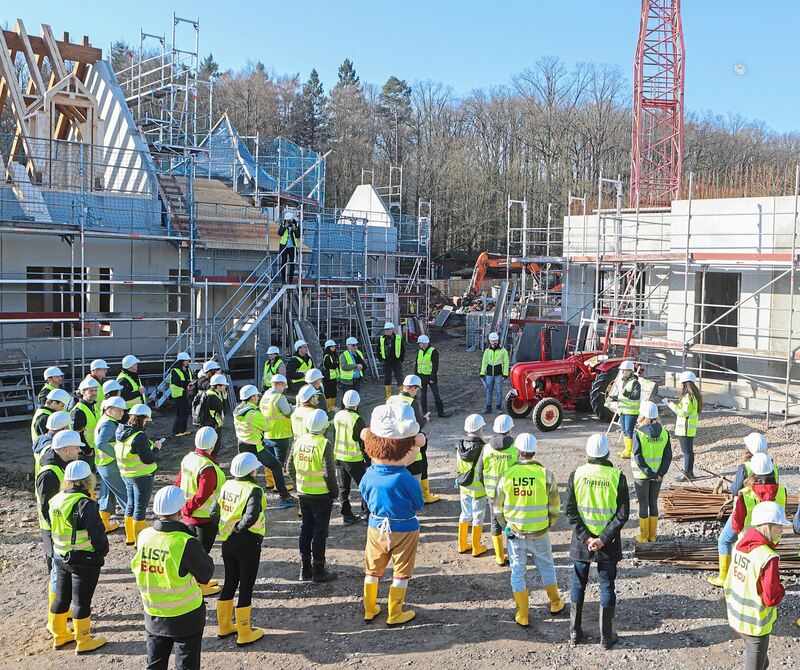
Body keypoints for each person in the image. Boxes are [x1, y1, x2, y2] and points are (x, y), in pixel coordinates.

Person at [132, 485, 214, 670]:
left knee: (155, 663)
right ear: (179, 511)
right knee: (186, 664)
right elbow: (206, 573)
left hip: (153, 613)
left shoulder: (144, 536)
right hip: (185, 616)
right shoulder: (183, 542)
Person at [359, 401, 425, 625]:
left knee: (373, 568)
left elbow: (365, 497)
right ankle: (395, 612)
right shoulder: (403, 477)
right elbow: (418, 503)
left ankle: (370, 608)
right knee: (401, 570)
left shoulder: (368, 474)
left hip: (376, 525)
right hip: (404, 527)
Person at [565, 433, 630, 649]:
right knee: (606, 585)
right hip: (607, 543)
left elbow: (570, 511)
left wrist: (586, 538)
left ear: (587, 453)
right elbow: (622, 514)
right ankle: (606, 636)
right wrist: (602, 539)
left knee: (578, 584)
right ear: (607, 453)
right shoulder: (617, 476)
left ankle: (575, 633)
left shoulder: (576, 475)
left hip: (582, 542)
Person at [494, 433, 564, 627]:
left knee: (517, 570)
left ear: (517, 451)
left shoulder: (507, 475)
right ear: (534, 451)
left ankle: (523, 613)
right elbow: (555, 507)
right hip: (540, 532)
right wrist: (547, 524)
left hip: (515, 533)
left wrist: (505, 525)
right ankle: (555, 603)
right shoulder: (545, 474)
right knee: (547, 566)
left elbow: (497, 508)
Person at [47, 459, 109, 653]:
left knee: (61, 598)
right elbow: (97, 533)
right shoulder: (85, 503)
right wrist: (101, 553)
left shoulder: (56, 500)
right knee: (82, 602)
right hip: (83, 559)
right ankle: (83, 640)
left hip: (60, 556)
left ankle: (59, 636)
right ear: (87, 480)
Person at [724, 501, 788, 670]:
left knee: (762, 662)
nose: (782, 530)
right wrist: (782, 588)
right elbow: (771, 598)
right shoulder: (768, 557)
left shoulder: (740, 544)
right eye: (779, 526)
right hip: (755, 625)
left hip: (737, 616)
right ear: (767, 526)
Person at [709, 451, 784, 587]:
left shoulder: (746, 494)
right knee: (766, 564)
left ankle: (724, 577)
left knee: (724, 541)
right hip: (773, 538)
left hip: (749, 539)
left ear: (753, 473)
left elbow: (736, 524)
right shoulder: (782, 491)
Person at [214, 452, 267, 645]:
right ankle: (244, 632)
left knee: (230, 581)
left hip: (227, 540)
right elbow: (252, 515)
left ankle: (224, 626)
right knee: (246, 584)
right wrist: (240, 527)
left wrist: (228, 527)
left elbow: (214, 511)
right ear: (251, 470)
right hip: (247, 541)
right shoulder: (253, 489)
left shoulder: (227, 485)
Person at [289, 408, 339, 583]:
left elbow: (289, 467)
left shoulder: (298, 441)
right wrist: (334, 493)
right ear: (325, 426)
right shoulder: (324, 444)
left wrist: (299, 483)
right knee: (319, 532)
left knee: (306, 529)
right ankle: (319, 570)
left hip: (303, 494)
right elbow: (328, 473)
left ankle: (305, 570)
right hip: (321, 496)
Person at [176, 426, 226, 596]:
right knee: (201, 555)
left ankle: (197, 582)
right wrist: (189, 508)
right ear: (213, 444)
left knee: (193, 552)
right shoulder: (208, 468)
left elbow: (178, 482)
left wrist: (182, 508)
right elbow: (202, 496)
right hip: (204, 519)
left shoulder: (189, 458)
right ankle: (199, 585)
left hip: (189, 516)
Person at [36, 430, 84, 608]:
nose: (79, 450)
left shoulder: (59, 464)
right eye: (76, 447)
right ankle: (57, 613)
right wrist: (57, 527)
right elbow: (45, 506)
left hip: (59, 527)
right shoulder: (49, 473)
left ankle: (61, 610)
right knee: (57, 571)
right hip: (53, 529)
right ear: (65, 450)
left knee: (62, 571)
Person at [234, 385, 295, 504]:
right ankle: (284, 494)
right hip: (255, 447)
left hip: (241, 445)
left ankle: (243, 497)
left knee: (245, 473)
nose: (257, 398)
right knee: (276, 466)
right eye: (256, 396)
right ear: (252, 398)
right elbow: (267, 427)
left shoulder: (237, 411)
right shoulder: (254, 414)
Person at [115, 403, 163, 545]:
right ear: (143, 419)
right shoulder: (139, 435)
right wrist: (156, 448)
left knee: (131, 504)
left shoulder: (121, 431)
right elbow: (148, 459)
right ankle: (139, 538)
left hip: (126, 474)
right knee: (140, 507)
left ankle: (130, 536)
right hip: (142, 476)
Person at [392, 375, 440, 504]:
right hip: (411, 442)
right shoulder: (412, 403)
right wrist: (425, 419)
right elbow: (417, 425)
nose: (417, 392)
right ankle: (424, 496)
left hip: (394, 441)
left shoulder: (391, 399)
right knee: (421, 466)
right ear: (413, 388)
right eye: (417, 389)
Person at [477, 413, 517, 565]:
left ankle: (500, 557)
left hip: (492, 493)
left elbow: (480, 471)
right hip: (510, 494)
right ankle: (514, 553)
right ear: (510, 431)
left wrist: (487, 486)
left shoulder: (486, 448)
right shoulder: (514, 449)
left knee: (495, 522)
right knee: (512, 521)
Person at [631, 400, 671, 543]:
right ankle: (652, 536)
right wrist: (660, 473)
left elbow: (638, 456)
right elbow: (668, 456)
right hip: (658, 475)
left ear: (642, 414)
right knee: (653, 503)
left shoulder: (639, 434)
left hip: (641, 475)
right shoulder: (665, 433)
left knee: (643, 504)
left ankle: (643, 536)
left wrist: (649, 473)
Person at [333, 390, 369, 525]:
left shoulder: (338, 416)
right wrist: (368, 459)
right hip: (354, 459)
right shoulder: (357, 419)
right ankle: (366, 513)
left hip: (339, 457)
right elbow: (362, 442)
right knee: (364, 486)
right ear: (357, 403)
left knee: (343, 488)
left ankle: (346, 515)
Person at [94, 396, 129, 533]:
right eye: (118, 410)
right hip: (110, 465)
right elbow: (101, 443)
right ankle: (134, 531)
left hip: (103, 464)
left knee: (107, 494)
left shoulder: (106, 420)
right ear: (109, 409)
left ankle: (104, 523)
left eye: (122, 410)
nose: (122, 413)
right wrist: (118, 454)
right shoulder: (109, 424)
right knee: (126, 496)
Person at [456, 414, 489, 557]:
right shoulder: (484, 447)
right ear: (481, 428)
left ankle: (462, 544)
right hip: (479, 488)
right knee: (478, 517)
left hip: (465, 485)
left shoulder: (459, 445)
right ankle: (476, 547)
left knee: (465, 514)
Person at [663, 370, 702, 481]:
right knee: (689, 452)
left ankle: (687, 474)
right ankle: (690, 472)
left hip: (685, 429)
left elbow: (683, 412)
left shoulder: (688, 397)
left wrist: (669, 404)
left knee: (686, 452)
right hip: (689, 429)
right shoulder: (694, 397)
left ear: (685, 384)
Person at [260, 374, 294, 470]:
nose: (283, 389)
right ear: (280, 385)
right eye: (284, 386)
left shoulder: (265, 397)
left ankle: (270, 483)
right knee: (279, 464)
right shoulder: (279, 397)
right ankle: (278, 484)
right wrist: (292, 407)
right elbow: (288, 413)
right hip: (280, 435)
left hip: (267, 434)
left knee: (269, 463)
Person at [609, 360, 640, 459]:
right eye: (621, 370)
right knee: (624, 431)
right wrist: (614, 397)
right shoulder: (623, 381)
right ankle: (627, 449)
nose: (622, 372)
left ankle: (630, 451)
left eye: (624, 370)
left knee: (629, 431)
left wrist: (626, 393)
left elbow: (636, 396)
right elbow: (622, 396)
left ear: (630, 370)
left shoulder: (635, 383)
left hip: (631, 412)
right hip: (623, 411)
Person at [33, 410, 73, 476]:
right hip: (54, 482)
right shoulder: (54, 448)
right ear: (65, 428)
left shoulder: (41, 441)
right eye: (68, 426)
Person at [414, 335, 446, 418]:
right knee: (423, 395)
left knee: (436, 394)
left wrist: (432, 377)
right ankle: (423, 413)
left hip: (431, 377)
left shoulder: (433, 351)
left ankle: (441, 413)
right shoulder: (419, 351)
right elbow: (417, 364)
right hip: (421, 377)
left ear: (425, 343)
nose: (420, 345)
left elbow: (435, 366)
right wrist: (416, 376)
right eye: (419, 344)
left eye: (421, 343)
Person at [480, 332, 509, 413]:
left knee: (499, 391)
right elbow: (484, 363)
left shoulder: (503, 351)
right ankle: (488, 408)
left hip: (499, 375)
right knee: (489, 391)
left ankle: (498, 408)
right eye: (492, 341)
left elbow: (506, 363)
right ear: (490, 341)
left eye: (495, 340)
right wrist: (482, 373)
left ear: (498, 340)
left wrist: (505, 374)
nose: (494, 342)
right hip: (489, 375)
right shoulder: (487, 351)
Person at [199, 374, 228, 454]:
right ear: (218, 386)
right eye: (224, 385)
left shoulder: (209, 393)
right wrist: (225, 400)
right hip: (213, 425)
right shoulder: (214, 398)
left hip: (208, 424)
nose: (225, 387)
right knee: (215, 447)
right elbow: (223, 412)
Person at [71, 377, 100, 452]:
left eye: (95, 390)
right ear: (83, 392)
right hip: (85, 451)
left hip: (94, 448)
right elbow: (77, 434)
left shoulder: (94, 406)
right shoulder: (79, 411)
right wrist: (87, 451)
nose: (94, 393)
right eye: (91, 391)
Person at [170, 352, 193, 437]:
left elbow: (191, 379)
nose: (187, 362)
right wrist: (188, 383)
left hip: (186, 394)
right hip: (179, 395)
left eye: (188, 360)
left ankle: (183, 430)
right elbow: (177, 382)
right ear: (181, 361)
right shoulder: (175, 370)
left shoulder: (188, 370)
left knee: (185, 413)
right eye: (186, 360)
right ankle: (176, 431)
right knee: (180, 414)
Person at [378, 322, 405, 399]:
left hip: (396, 362)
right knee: (387, 378)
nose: (386, 331)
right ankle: (388, 395)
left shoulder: (398, 338)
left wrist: (401, 359)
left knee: (399, 377)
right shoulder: (381, 339)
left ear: (392, 330)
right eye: (385, 330)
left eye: (388, 329)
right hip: (386, 362)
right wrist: (381, 359)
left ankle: (403, 394)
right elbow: (378, 349)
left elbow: (402, 349)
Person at [278, 209, 300, 284]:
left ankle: (290, 279)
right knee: (283, 262)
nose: (288, 222)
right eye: (287, 220)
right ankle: (283, 279)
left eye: (289, 220)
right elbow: (280, 233)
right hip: (284, 246)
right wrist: (285, 227)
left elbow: (298, 235)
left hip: (292, 247)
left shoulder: (296, 224)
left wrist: (294, 229)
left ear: (292, 219)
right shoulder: (283, 223)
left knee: (292, 263)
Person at [321, 340, 340, 411]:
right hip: (328, 378)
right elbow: (329, 365)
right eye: (332, 346)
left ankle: (332, 407)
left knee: (333, 393)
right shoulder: (327, 356)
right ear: (328, 347)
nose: (334, 348)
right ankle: (329, 408)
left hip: (332, 378)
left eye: (334, 346)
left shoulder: (333, 355)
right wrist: (337, 364)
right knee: (328, 393)